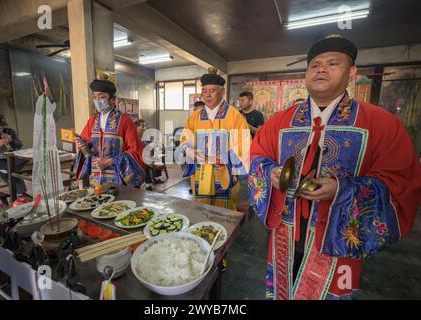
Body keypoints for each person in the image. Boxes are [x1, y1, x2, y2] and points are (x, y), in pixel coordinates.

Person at [248, 35, 421, 300]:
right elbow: (258, 155)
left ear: (351, 72)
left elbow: (401, 181)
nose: (321, 68)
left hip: (337, 238)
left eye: (332, 63)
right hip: (286, 230)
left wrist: (342, 189)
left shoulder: (381, 124)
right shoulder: (280, 121)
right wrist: (268, 170)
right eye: (314, 64)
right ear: (306, 74)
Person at [179, 67, 250, 210]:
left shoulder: (234, 115)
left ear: (222, 91)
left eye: (211, 91)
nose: (207, 95)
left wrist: (233, 169)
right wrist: (187, 149)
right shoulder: (195, 116)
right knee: (200, 211)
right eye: (204, 91)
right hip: (201, 173)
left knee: (225, 214)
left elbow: (244, 144)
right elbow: (185, 138)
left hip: (224, 173)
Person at [75, 79, 146, 187]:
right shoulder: (93, 120)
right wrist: (82, 145)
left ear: (113, 99)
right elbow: (86, 145)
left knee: (118, 203)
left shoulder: (124, 120)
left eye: (102, 97)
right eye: (94, 97)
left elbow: (136, 150)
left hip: (118, 177)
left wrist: (112, 160)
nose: (97, 101)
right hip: (95, 177)